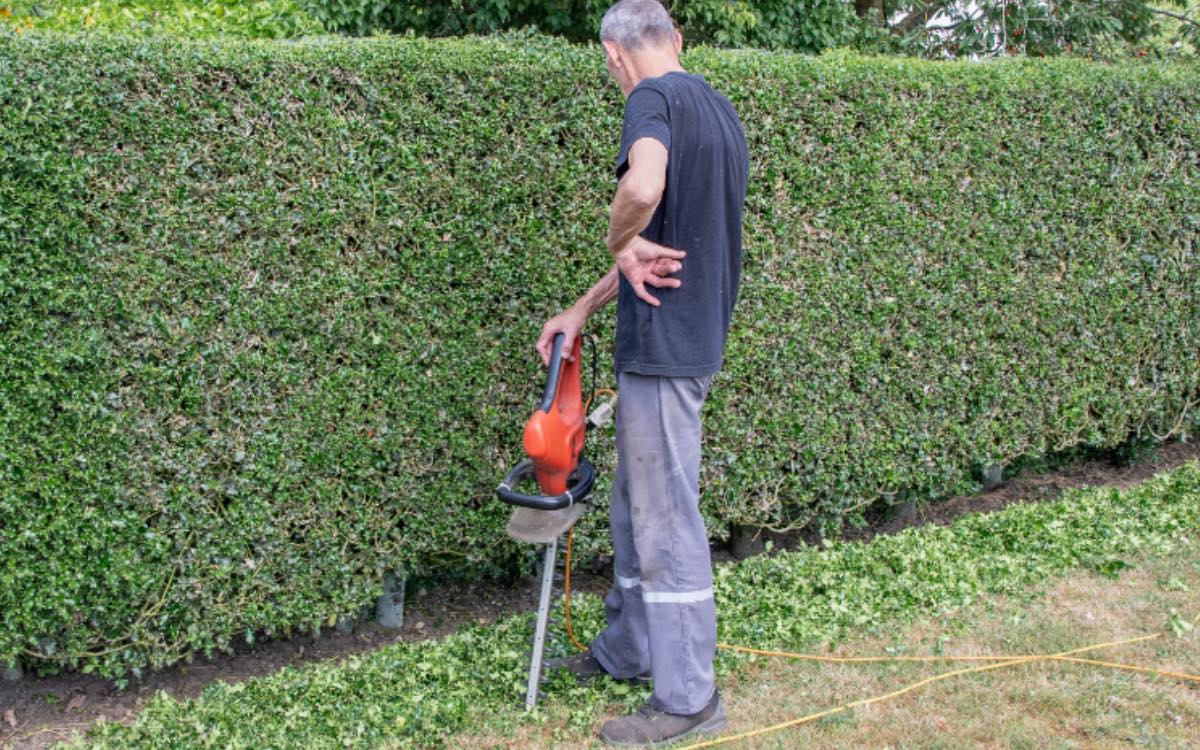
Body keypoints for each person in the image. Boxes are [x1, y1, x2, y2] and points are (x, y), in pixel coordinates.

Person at [535, 0, 750, 745]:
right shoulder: (717, 109)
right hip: (678, 341)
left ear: (613, 57)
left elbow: (641, 194)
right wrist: (581, 308)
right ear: (676, 40)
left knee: (664, 520)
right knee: (635, 506)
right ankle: (629, 650)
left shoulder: (650, 99)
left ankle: (689, 696)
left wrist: (615, 232)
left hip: (667, 349)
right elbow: (649, 245)